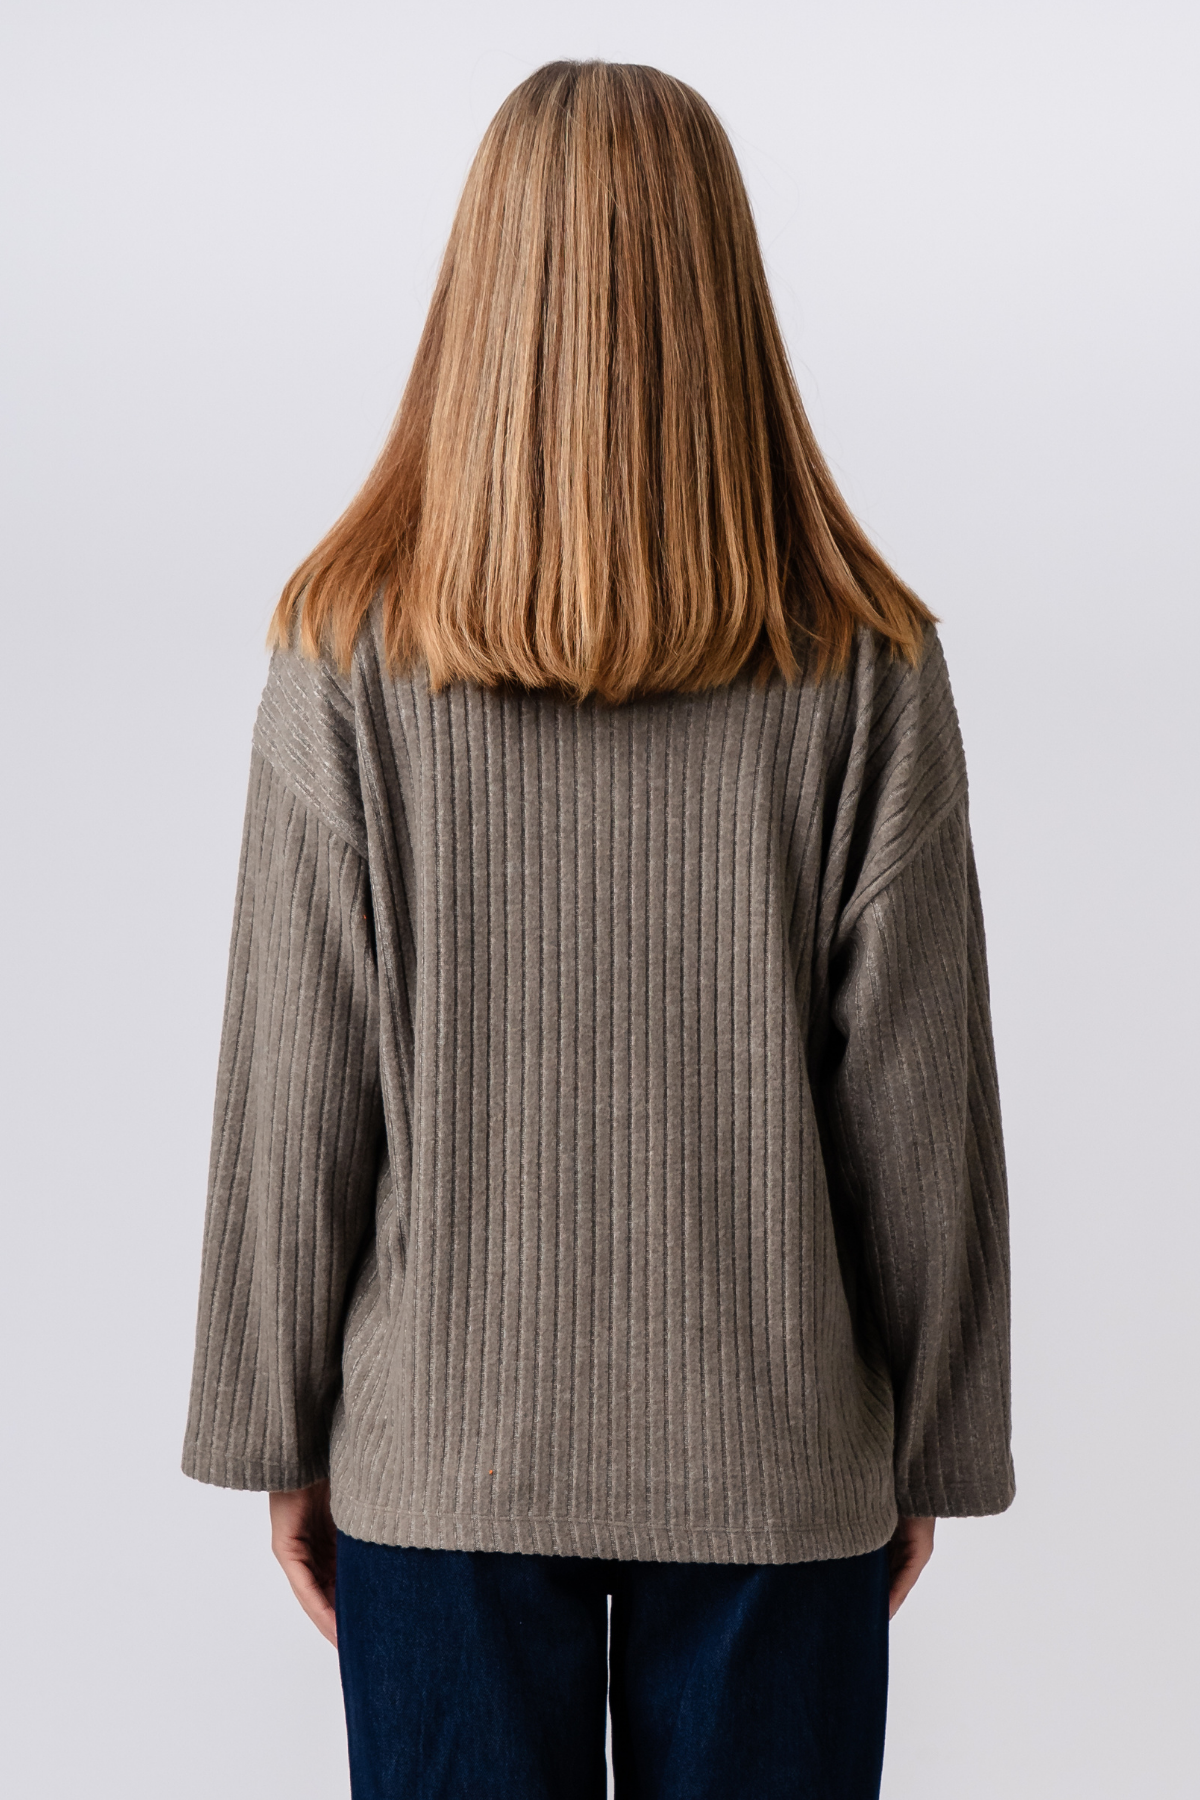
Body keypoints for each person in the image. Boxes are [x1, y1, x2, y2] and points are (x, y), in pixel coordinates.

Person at [182, 58, 1015, 1800]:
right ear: (728, 299)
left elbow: (293, 1094)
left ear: (479, 296)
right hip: (777, 1467)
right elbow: (920, 1110)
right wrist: (929, 1441)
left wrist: (277, 1428)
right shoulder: (869, 668)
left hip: (442, 1470)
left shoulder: (344, 660)